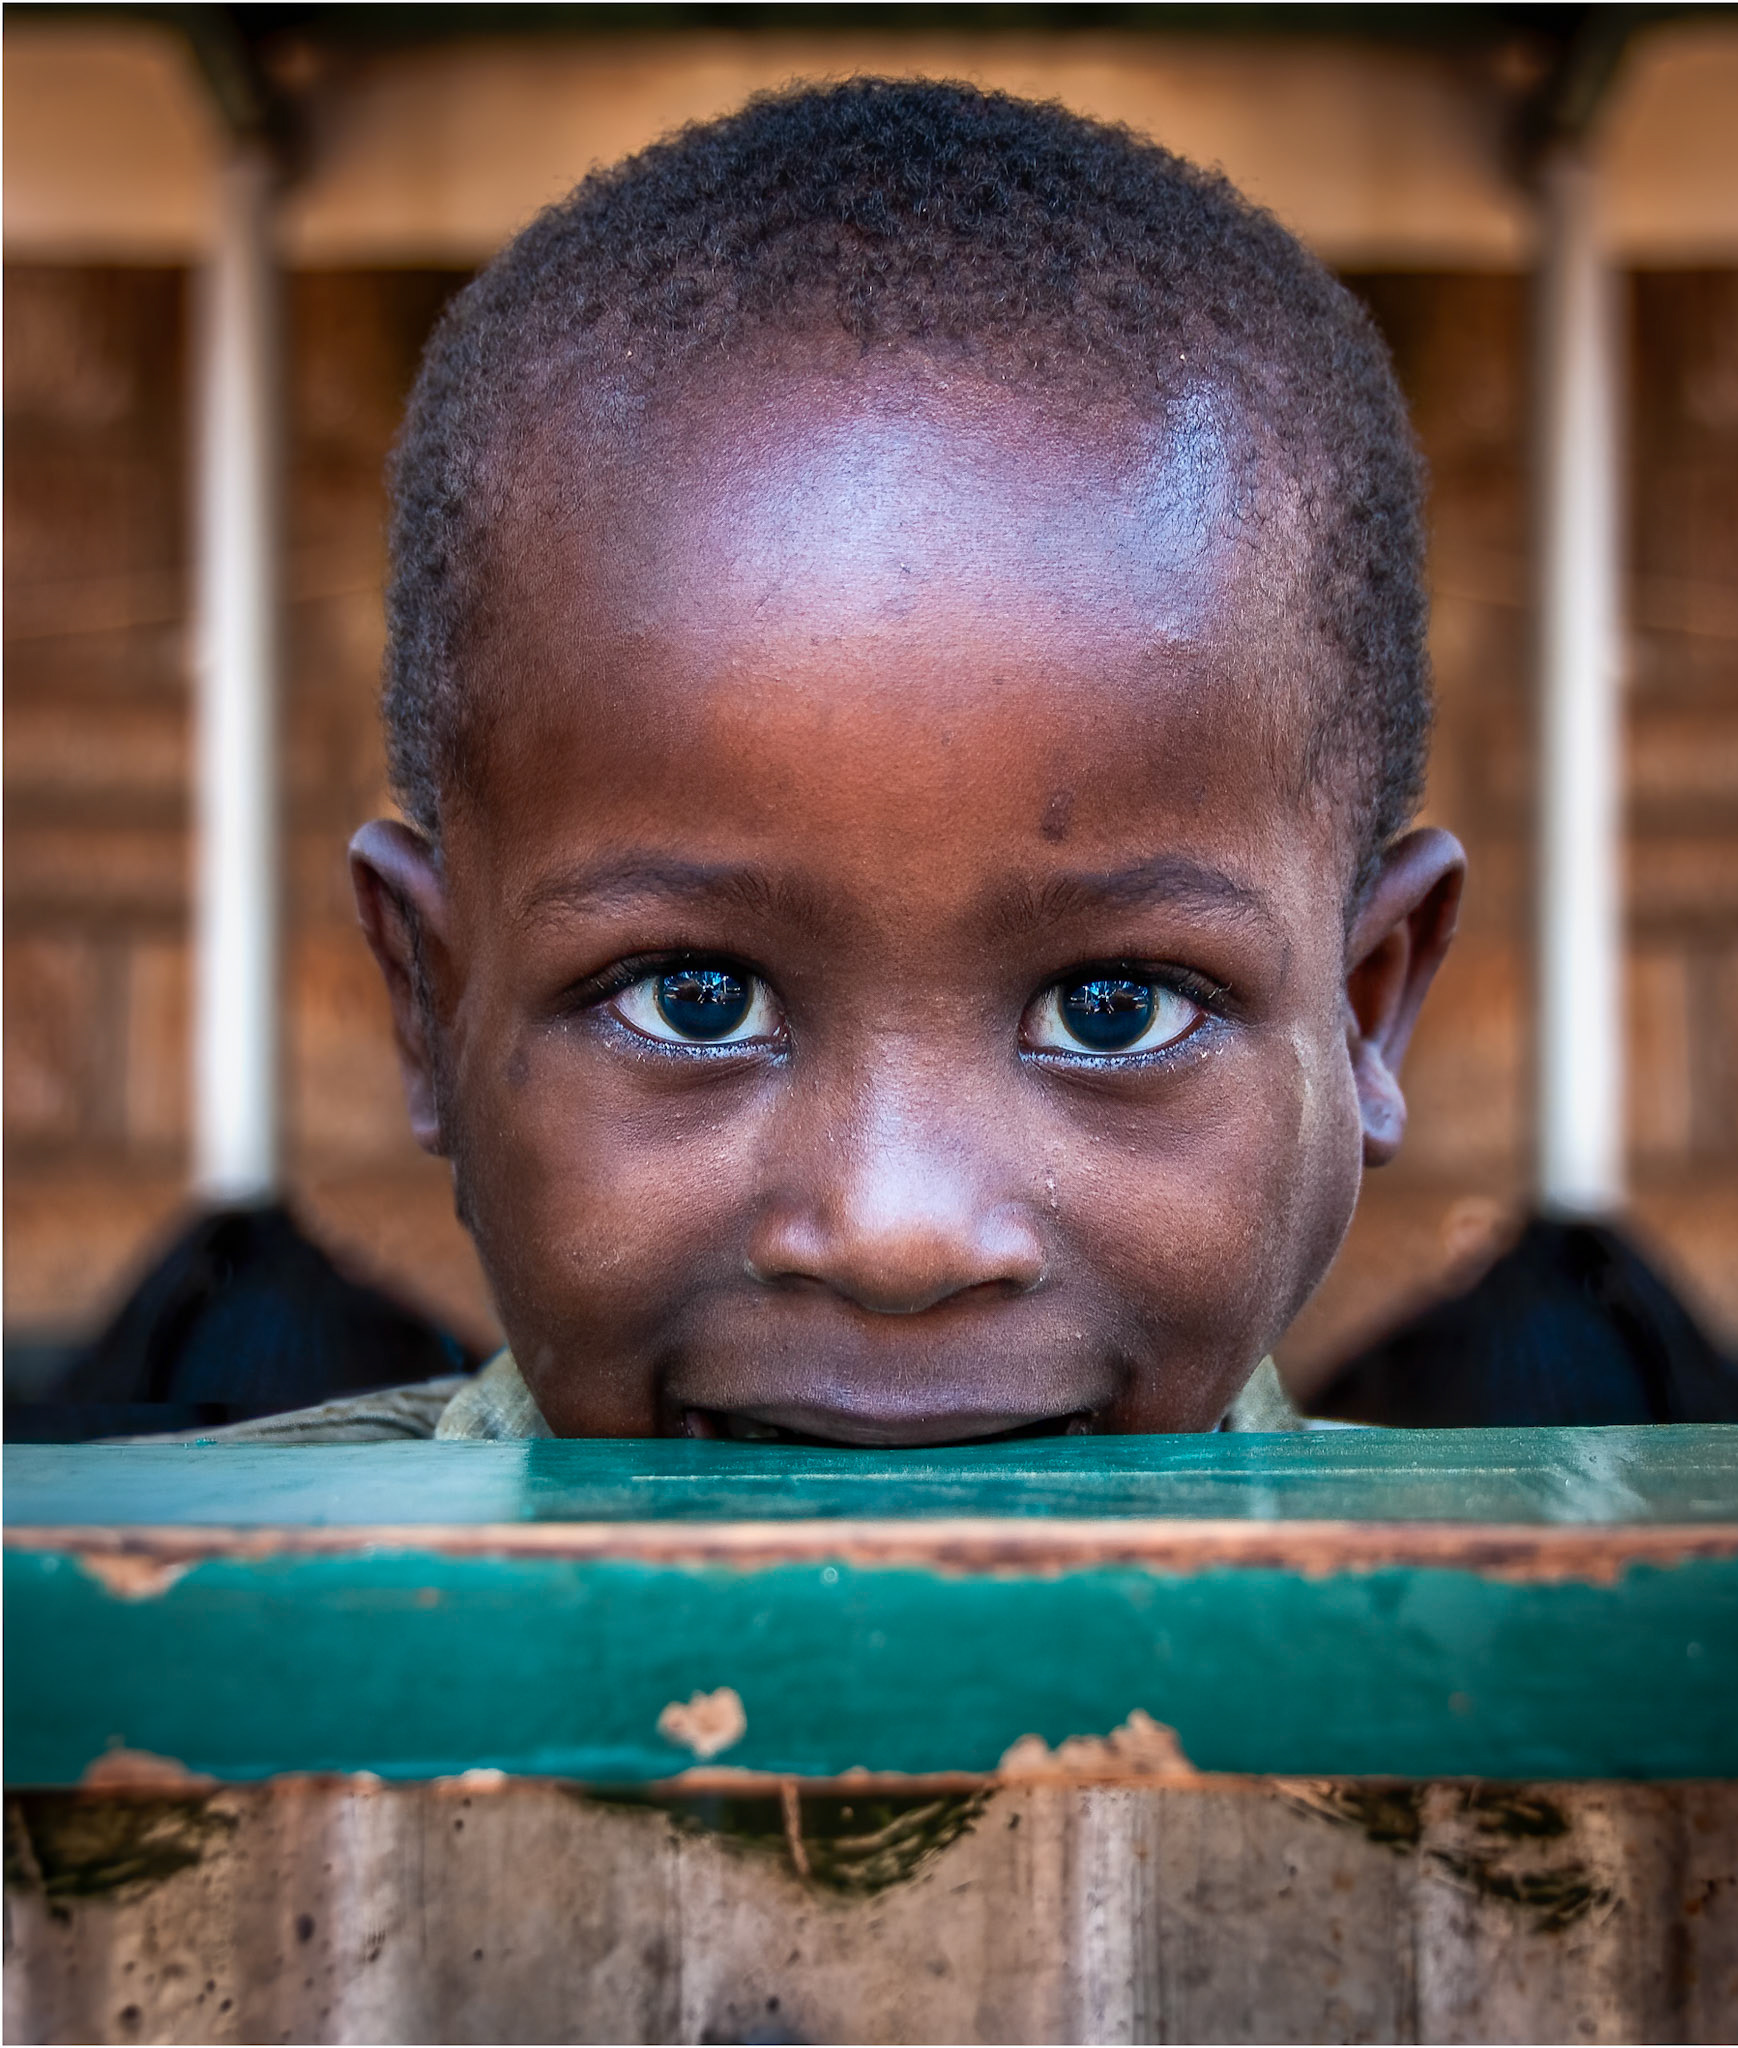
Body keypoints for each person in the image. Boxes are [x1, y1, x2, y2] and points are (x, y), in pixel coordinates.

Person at [200, 79, 1464, 1445]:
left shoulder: (1539, 1636)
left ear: (1360, 1006)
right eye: (696, 1001)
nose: (893, 1236)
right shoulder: (117, 1630)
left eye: (1113, 1007)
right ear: (430, 1007)